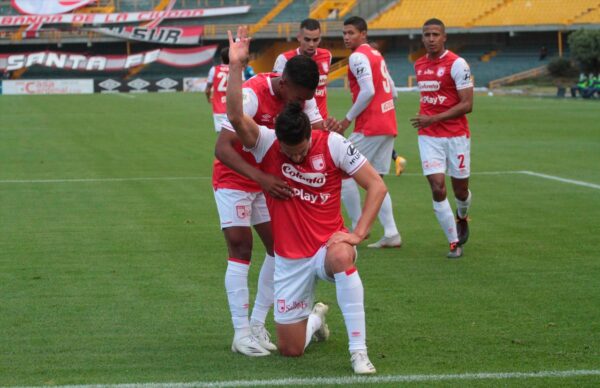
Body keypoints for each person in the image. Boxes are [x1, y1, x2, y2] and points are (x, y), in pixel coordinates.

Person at [226, 26, 387, 374]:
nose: (295, 159)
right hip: (291, 260)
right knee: (290, 350)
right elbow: (237, 118)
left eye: (300, 152)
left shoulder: (331, 144)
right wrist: (237, 66)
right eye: (289, 153)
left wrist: (358, 233)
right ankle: (315, 318)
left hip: (326, 247)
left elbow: (377, 186)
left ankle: (359, 352)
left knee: (344, 254)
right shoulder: (267, 143)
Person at [214, 31, 342, 357]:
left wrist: (331, 134)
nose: (300, 105)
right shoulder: (254, 94)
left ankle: (258, 323)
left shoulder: (301, 97)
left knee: (278, 248)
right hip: (235, 178)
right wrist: (261, 177)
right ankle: (240, 332)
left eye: (305, 100)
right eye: (297, 99)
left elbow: (313, 134)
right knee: (241, 246)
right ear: (283, 84)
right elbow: (223, 149)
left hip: (267, 183)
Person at [410, 18, 474, 259]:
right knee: (438, 187)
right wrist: (429, 120)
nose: (431, 39)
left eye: (435, 34)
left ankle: (462, 215)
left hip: (456, 136)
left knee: (461, 190)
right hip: (429, 137)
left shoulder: (457, 64)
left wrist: (434, 118)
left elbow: (468, 104)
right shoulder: (419, 65)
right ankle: (453, 241)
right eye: (427, 34)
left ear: (444, 37)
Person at [339, 16, 402, 248]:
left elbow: (367, 91)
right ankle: (392, 233)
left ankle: (358, 228)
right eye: (344, 33)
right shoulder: (376, 54)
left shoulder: (358, 56)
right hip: (387, 123)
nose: (346, 37)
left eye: (351, 33)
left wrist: (347, 119)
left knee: (342, 170)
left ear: (363, 34)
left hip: (371, 125)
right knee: (375, 180)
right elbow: (393, 91)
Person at [273, 18, 332, 119]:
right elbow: (279, 92)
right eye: (307, 39)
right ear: (299, 37)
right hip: (296, 121)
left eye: (315, 40)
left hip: (320, 121)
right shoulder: (284, 59)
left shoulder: (327, 56)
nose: (311, 44)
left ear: (320, 38)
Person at [206, 48, 231, 132]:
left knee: (222, 139)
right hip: (234, 109)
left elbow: (207, 90)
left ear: (221, 58)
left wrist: (208, 98)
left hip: (219, 109)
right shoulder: (236, 69)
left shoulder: (214, 70)